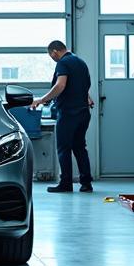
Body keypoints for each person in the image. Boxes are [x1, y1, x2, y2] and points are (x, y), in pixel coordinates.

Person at [31, 39, 95, 193]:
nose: (53, 58)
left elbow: (60, 85)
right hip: (83, 112)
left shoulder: (63, 63)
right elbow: (82, 85)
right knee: (80, 147)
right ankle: (86, 183)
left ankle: (66, 183)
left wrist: (42, 99)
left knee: (63, 148)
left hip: (68, 113)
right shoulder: (80, 62)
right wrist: (87, 97)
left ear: (54, 52)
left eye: (51, 56)